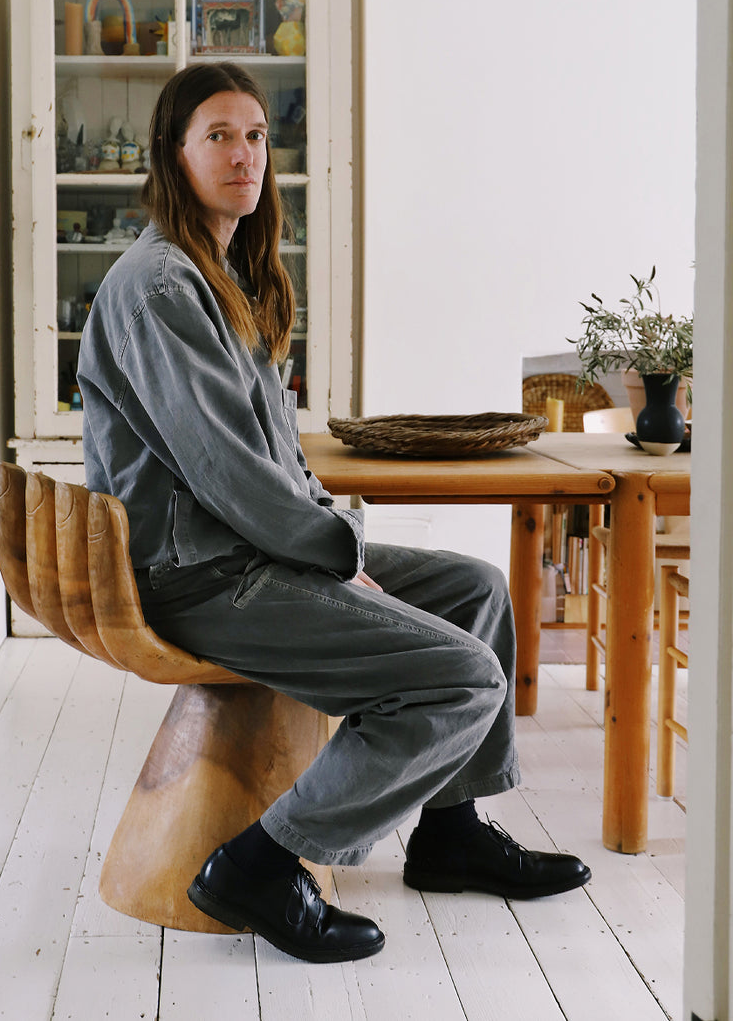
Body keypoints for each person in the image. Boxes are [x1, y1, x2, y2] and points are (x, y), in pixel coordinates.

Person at [77, 62, 591, 965]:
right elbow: (226, 471)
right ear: (173, 153)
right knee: (465, 676)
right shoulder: (160, 286)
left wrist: (329, 535)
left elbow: (275, 454)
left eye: (256, 136)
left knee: (473, 590)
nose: (245, 155)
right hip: (202, 575)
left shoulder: (218, 273)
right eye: (219, 136)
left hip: (245, 555)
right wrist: (330, 545)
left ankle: (450, 833)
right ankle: (259, 864)